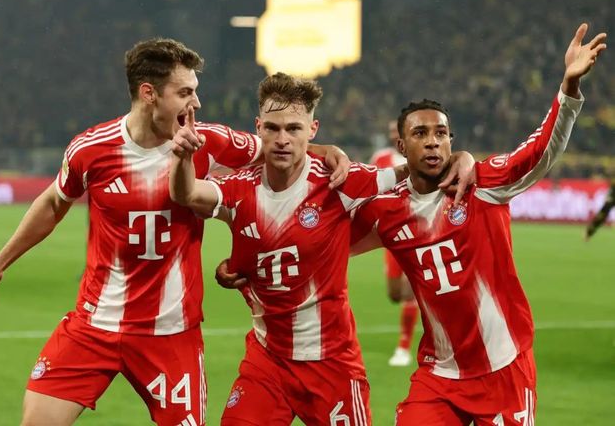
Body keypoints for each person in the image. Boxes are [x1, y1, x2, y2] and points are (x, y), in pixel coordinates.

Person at [0, 38, 350, 426]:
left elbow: (277, 147)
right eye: (185, 92)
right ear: (149, 93)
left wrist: (326, 149)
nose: (196, 103)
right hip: (94, 325)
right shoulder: (91, 149)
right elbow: (53, 203)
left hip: (171, 334)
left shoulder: (209, 141)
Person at [170, 72, 475, 425]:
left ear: (312, 130)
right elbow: (187, 193)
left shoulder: (339, 182)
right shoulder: (238, 188)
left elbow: (415, 170)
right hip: (267, 361)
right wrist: (182, 157)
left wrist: (462, 157)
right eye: (273, 128)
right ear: (258, 128)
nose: (282, 139)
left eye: (294, 129)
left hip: (333, 364)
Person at [350, 23, 606, 425]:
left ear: (451, 140)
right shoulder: (386, 210)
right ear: (401, 146)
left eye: (441, 133)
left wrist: (568, 89)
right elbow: (326, 239)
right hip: (440, 375)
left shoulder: (482, 185)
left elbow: (540, 150)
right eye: (420, 133)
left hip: (504, 368)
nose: (433, 141)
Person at [370, 121, 418, 367]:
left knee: (410, 291)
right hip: (390, 236)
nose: (392, 136)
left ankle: (403, 347)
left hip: (416, 233)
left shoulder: (419, 157)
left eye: (396, 132)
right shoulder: (380, 158)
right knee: (395, 294)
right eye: (390, 132)